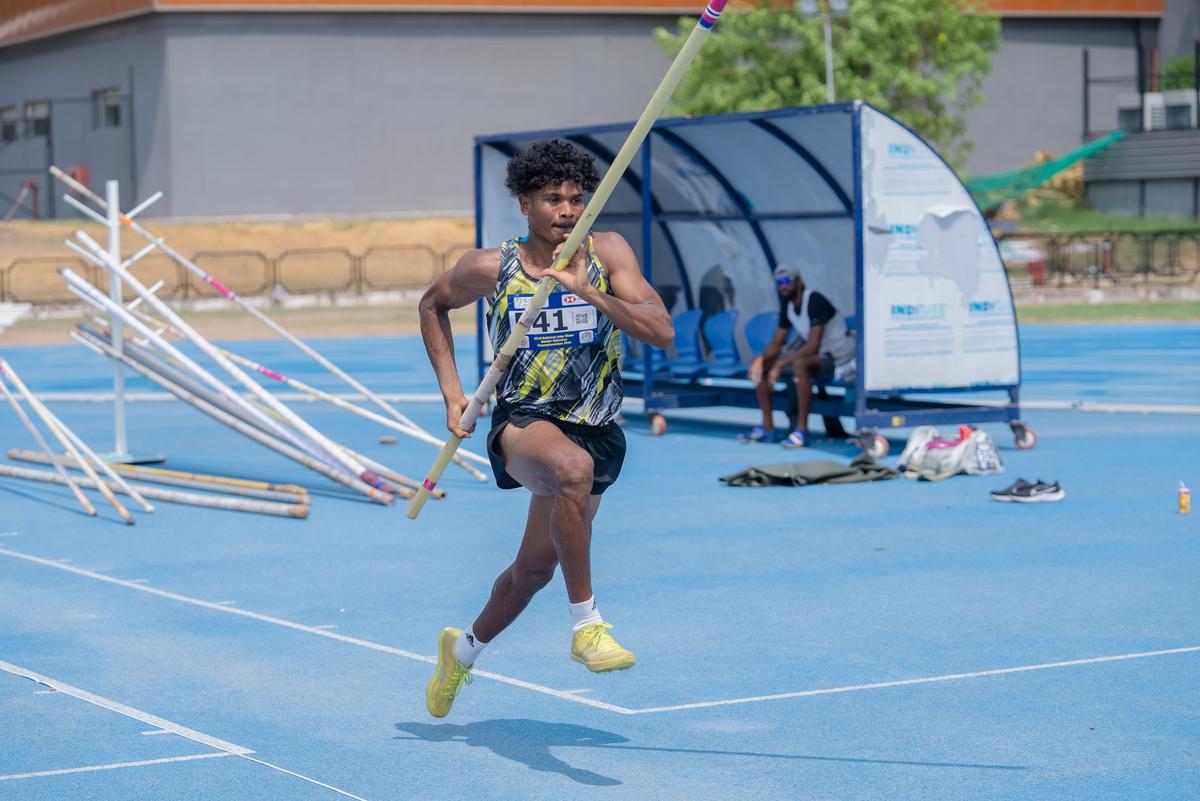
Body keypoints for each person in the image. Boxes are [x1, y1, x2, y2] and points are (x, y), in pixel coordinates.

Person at [416, 139, 674, 718]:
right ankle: (587, 625)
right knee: (569, 470)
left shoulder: (606, 254)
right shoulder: (494, 266)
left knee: (532, 570)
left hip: (599, 427)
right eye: (552, 200)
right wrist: (454, 395)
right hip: (526, 423)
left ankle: (461, 652)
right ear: (526, 204)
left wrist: (588, 293)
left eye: (576, 200)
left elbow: (661, 330)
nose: (566, 211)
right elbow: (431, 306)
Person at [739, 264, 855, 448]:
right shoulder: (788, 305)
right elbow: (778, 341)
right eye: (779, 283)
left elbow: (812, 346)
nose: (782, 286)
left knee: (799, 365)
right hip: (814, 357)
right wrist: (761, 360)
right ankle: (768, 426)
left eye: (786, 281)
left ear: (799, 282)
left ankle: (801, 430)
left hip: (837, 357)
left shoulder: (815, 300)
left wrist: (779, 366)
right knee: (760, 365)